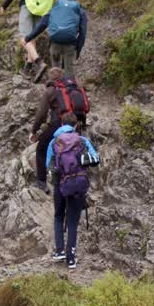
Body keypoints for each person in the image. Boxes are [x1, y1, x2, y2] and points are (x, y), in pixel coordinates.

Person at [45, 112, 99, 269]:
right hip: (78, 184)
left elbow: (49, 165)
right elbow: (95, 160)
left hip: (59, 185)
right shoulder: (82, 141)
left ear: (62, 124)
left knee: (58, 216)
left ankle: (60, 250)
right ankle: (71, 258)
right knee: (73, 221)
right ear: (76, 125)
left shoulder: (54, 142)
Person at [29, 67, 90, 188]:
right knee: (73, 152)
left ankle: (41, 182)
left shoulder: (51, 90)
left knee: (41, 149)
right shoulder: (74, 86)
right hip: (75, 126)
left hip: (58, 125)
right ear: (62, 76)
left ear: (50, 78)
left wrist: (34, 131)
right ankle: (77, 182)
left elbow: (41, 114)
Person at [23, 0, 87, 80]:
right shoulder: (80, 10)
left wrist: (28, 38)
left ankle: (56, 91)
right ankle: (68, 91)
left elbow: (43, 23)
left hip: (55, 43)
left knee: (55, 73)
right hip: (70, 44)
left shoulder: (56, 7)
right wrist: (78, 50)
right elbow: (83, 32)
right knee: (69, 73)